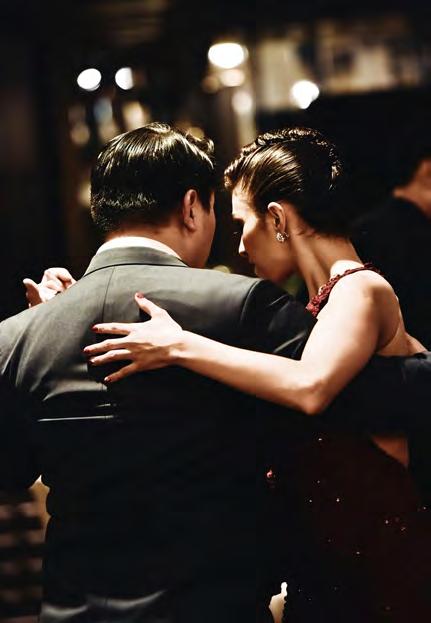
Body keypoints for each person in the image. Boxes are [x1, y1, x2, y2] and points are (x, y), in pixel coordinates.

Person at [82, 127, 431, 621]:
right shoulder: (316, 306)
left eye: (241, 223)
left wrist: (179, 346)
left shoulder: (361, 288)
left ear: (278, 219)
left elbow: (310, 387)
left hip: (378, 557)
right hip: (334, 558)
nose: (241, 246)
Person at [1, 122, 322, 623]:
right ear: (192, 207)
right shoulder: (245, 307)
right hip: (217, 607)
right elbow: (337, 426)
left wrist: (46, 326)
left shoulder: (15, 336)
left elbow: (11, 471)